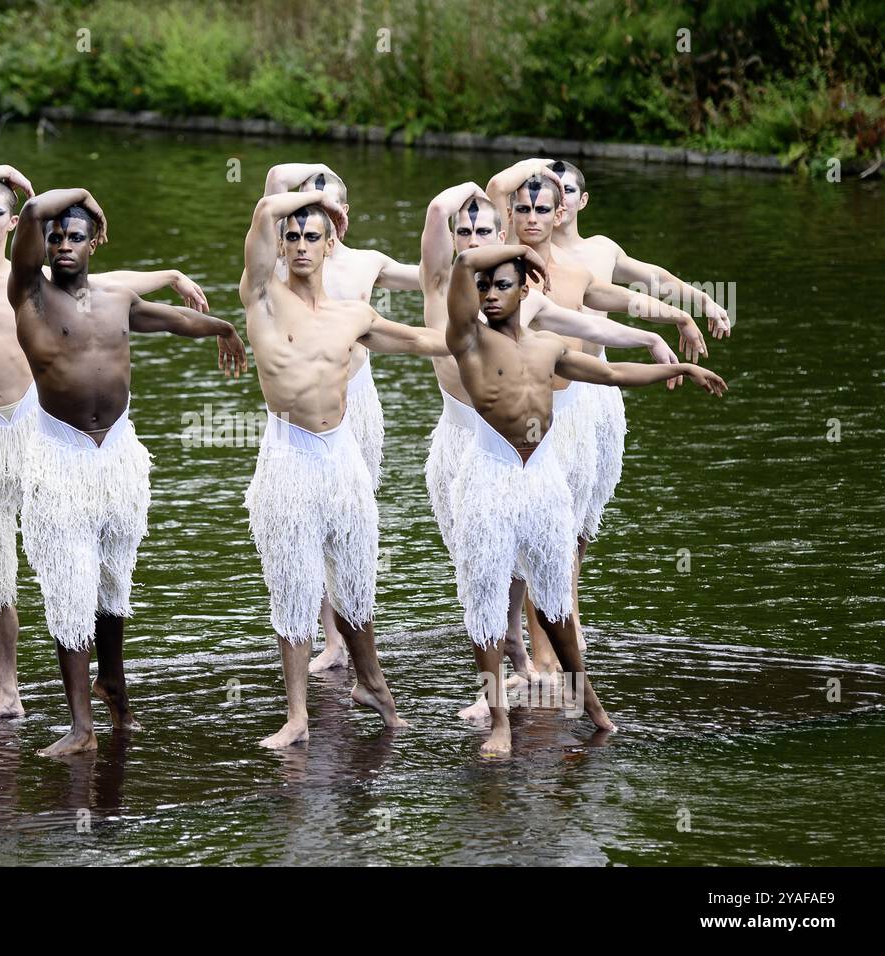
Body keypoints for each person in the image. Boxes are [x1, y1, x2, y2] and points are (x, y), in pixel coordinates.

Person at [0, 164, 213, 723]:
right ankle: (8, 689)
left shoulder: (33, 281)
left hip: (36, 428)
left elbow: (106, 284)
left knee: (67, 557)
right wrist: (6, 172)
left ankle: (99, 680)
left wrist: (171, 273)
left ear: (12, 223)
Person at [444, 242, 726, 754]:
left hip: (542, 478)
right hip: (490, 476)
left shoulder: (548, 348)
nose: (488, 295)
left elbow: (614, 373)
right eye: (485, 288)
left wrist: (679, 371)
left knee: (555, 603)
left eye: (502, 285)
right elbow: (464, 264)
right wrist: (522, 249)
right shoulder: (469, 341)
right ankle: (500, 723)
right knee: (484, 610)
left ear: (525, 289)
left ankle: (590, 701)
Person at [7, 187, 247, 757]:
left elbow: (168, 320)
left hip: (118, 454)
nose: (63, 244)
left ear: (96, 242)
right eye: (56, 237)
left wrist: (220, 328)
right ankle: (80, 725)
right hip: (60, 455)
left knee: (114, 580)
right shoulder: (29, 292)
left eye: (75, 236)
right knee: (69, 584)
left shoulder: (116, 297)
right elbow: (32, 212)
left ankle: (114, 682)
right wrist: (86, 196)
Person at [420, 184, 681, 688]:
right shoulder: (442, 286)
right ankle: (507, 668)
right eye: (464, 231)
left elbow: (590, 331)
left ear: (501, 235)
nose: (473, 238)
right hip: (459, 437)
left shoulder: (520, 299)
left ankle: (538, 664)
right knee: (478, 573)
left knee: (522, 560)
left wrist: (653, 334)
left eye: (483, 230)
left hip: (504, 442)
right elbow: (438, 210)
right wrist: (481, 191)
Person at [240, 188, 450, 748]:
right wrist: (318, 191)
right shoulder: (261, 296)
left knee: (356, 586)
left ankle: (374, 685)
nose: (302, 245)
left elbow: (422, 340)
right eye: (293, 237)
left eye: (313, 236)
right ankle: (297, 715)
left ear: (331, 243)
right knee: (295, 587)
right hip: (288, 457)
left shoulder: (353, 313)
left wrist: (492, 333)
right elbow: (264, 211)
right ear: (280, 247)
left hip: (342, 458)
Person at [263, 163, 422, 674]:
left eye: (327, 206)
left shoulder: (365, 262)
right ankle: (328, 638)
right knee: (305, 522)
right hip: (303, 412)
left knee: (351, 522)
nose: (313, 214)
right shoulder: (286, 263)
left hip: (357, 399)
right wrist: (313, 172)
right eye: (306, 202)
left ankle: (353, 634)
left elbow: (431, 278)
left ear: (342, 218)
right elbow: (269, 190)